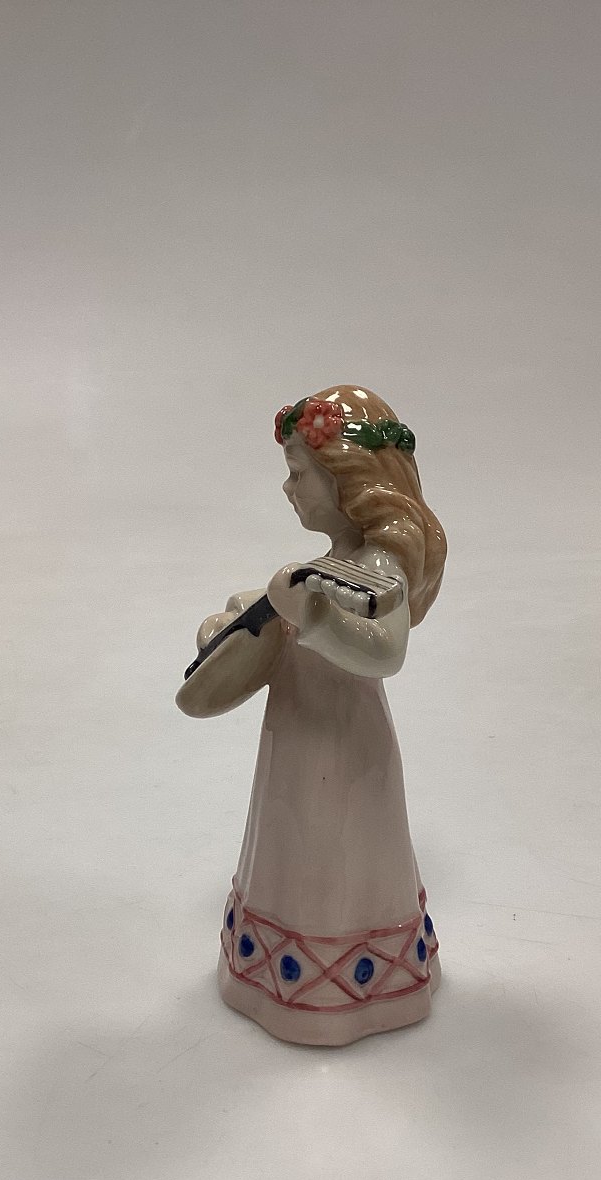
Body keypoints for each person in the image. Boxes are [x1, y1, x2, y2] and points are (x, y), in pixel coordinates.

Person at [206, 385, 446, 1045]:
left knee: (335, 847)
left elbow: (385, 649)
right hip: (295, 737)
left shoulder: (379, 567)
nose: (288, 488)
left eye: (298, 473)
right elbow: (284, 617)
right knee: (294, 838)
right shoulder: (329, 566)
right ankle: (282, 969)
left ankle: (346, 981)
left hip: (343, 745)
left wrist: (308, 615)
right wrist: (240, 627)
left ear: (347, 477)